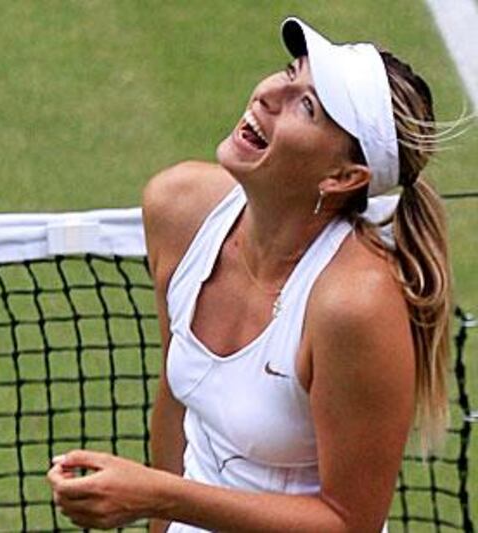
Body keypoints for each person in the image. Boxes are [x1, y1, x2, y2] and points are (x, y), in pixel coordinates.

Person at [47, 16, 453, 532]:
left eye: (307, 106)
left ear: (343, 177)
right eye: (290, 73)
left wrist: (159, 496)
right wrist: (160, 513)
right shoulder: (180, 209)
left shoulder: (353, 304)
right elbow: (176, 402)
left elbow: (350, 524)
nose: (268, 95)